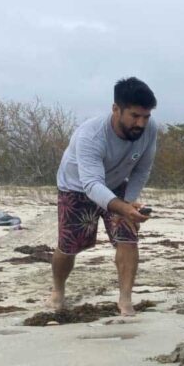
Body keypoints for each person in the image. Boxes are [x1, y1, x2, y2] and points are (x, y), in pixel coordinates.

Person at [46, 77, 158, 316]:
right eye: (135, 116)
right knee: (68, 246)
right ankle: (58, 289)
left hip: (116, 183)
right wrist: (123, 208)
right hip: (77, 186)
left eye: (146, 117)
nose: (141, 123)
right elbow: (91, 184)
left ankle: (125, 300)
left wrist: (129, 203)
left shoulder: (150, 130)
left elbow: (142, 169)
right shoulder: (91, 135)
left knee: (128, 236)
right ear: (116, 109)